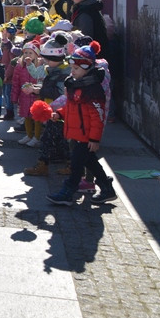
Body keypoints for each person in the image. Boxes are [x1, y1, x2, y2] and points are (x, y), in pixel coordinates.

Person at [47, 42, 116, 205]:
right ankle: (107, 188)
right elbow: (71, 108)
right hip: (77, 133)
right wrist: (59, 113)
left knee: (77, 165)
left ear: (87, 68)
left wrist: (94, 139)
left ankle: (67, 192)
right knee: (90, 161)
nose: (73, 72)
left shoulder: (92, 89)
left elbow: (97, 117)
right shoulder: (76, 86)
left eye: (76, 69)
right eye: (72, 68)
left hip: (86, 136)